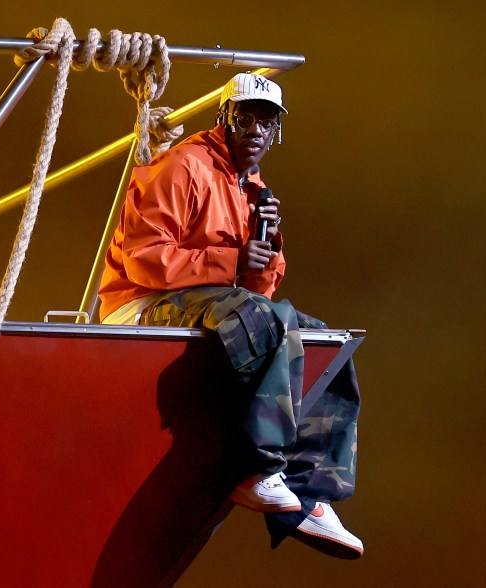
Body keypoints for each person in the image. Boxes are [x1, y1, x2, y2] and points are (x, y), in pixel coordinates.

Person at [98, 73, 363, 559]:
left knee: (325, 339)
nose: (257, 130)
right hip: (143, 304)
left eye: (267, 122)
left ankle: (308, 492)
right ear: (225, 119)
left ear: (277, 130)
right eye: (246, 118)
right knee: (266, 318)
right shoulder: (183, 166)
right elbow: (143, 259)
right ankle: (257, 469)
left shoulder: (253, 188)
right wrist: (233, 262)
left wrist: (267, 248)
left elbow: (257, 290)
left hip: (215, 303)